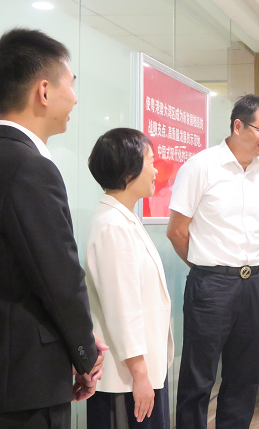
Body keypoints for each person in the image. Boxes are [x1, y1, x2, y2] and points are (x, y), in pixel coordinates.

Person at [0, 28, 106, 428]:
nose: (75, 98)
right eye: (71, 84)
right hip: (23, 390)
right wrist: (86, 354)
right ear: (44, 91)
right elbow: (59, 278)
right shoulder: (29, 167)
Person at [168, 95, 259, 429]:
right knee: (199, 376)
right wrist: (207, 267)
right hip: (212, 284)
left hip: (254, 281)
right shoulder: (201, 166)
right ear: (238, 126)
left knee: (244, 375)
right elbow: (177, 231)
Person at [85, 128, 174, 429]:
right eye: (150, 161)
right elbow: (122, 310)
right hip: (126, 380)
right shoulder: (113, 226)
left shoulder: (125, 218)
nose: (156, 170)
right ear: (128, 171)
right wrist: (140, 374)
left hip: (139, 372)